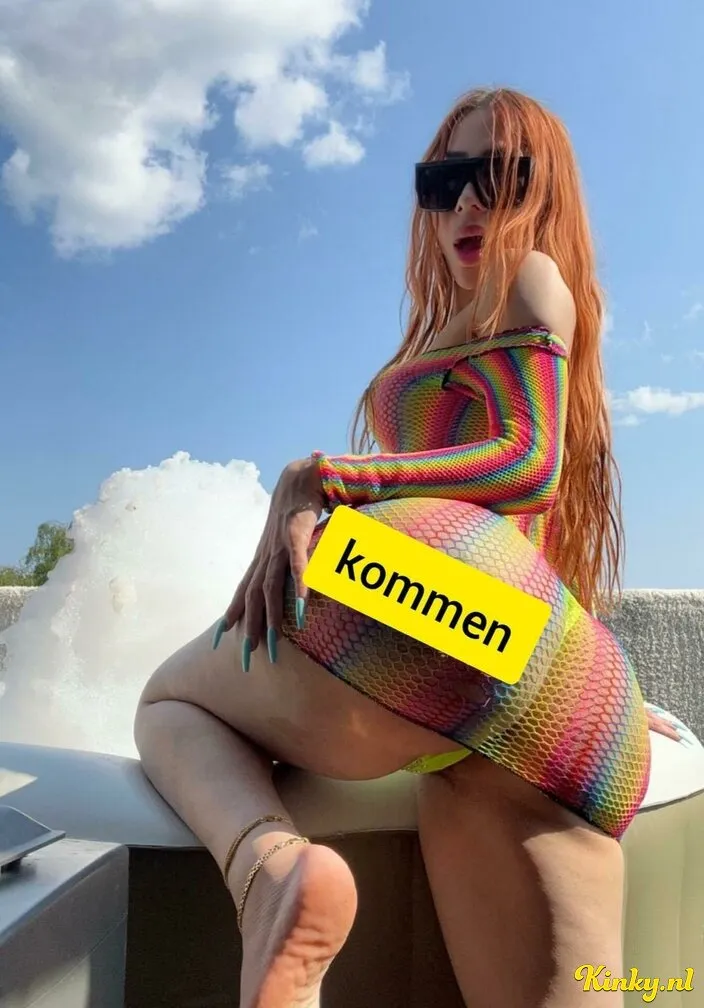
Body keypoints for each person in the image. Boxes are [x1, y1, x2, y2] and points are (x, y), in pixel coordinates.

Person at [134, 86, 682, 1008]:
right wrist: (598, 672)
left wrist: (328, 477)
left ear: (545, 191)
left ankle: (272, 877)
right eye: (443, 181)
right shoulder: (483, 315)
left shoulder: (529, 274)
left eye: (498, 176)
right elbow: (523, 538)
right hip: (525, 651)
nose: (467, 203)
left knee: (168, 701)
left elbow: (529, 464)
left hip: (426, 602)